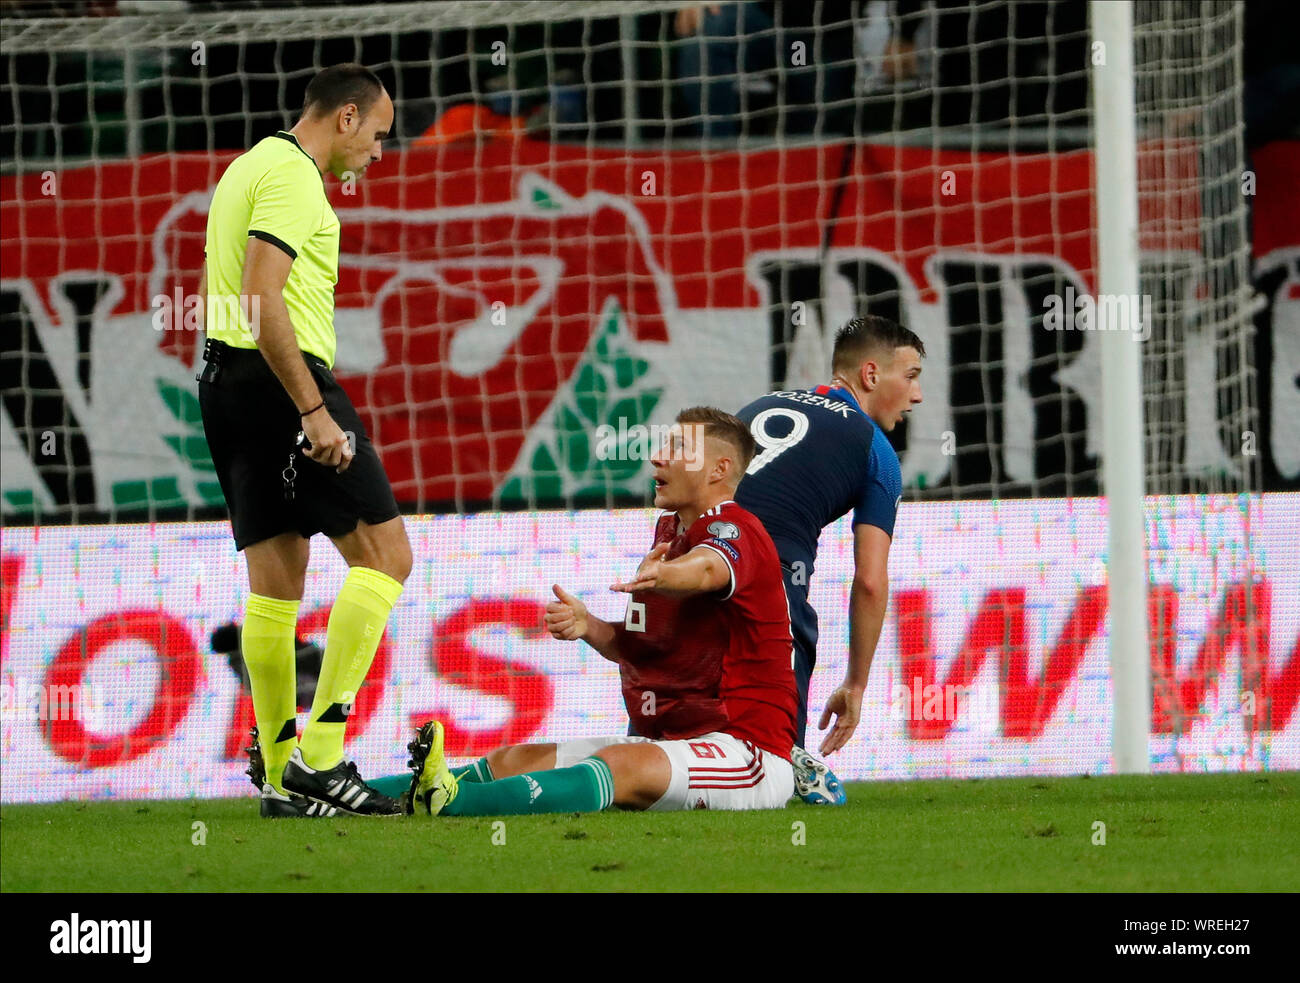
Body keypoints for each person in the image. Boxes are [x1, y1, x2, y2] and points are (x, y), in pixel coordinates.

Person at [387, 407, 799, 816]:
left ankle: (450, 803)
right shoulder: (670, 531)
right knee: (512, 761)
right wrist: (589, 626)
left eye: (677, 448)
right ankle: (356, 797)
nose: (658, 456)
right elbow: (640, 648)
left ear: (718, 469)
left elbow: (708, 567)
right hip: (675, 742)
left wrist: (667, 574)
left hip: (746, 749)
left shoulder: (735, 527)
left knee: (618, 767)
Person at [200, 64, 411, 818]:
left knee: (276, 583)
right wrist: (314, 409)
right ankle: (321, 757)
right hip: (280, 383)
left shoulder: (247, 165)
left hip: (222, 384)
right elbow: (263, 296)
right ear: (345, 117)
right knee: (387, 556)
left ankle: (280, 772)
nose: (379, 153)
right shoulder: (294, 177)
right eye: (378, 135)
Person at [734, 315, 924, 803]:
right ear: (871, 374)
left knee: (672, 719)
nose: (917, 396)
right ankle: (779, 762)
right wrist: (856, 685)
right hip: (766, 575)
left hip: (689, 557)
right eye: (911, 376)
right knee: (770, 770)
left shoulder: (759, 403)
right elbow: (869, 583)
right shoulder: (877, 453)